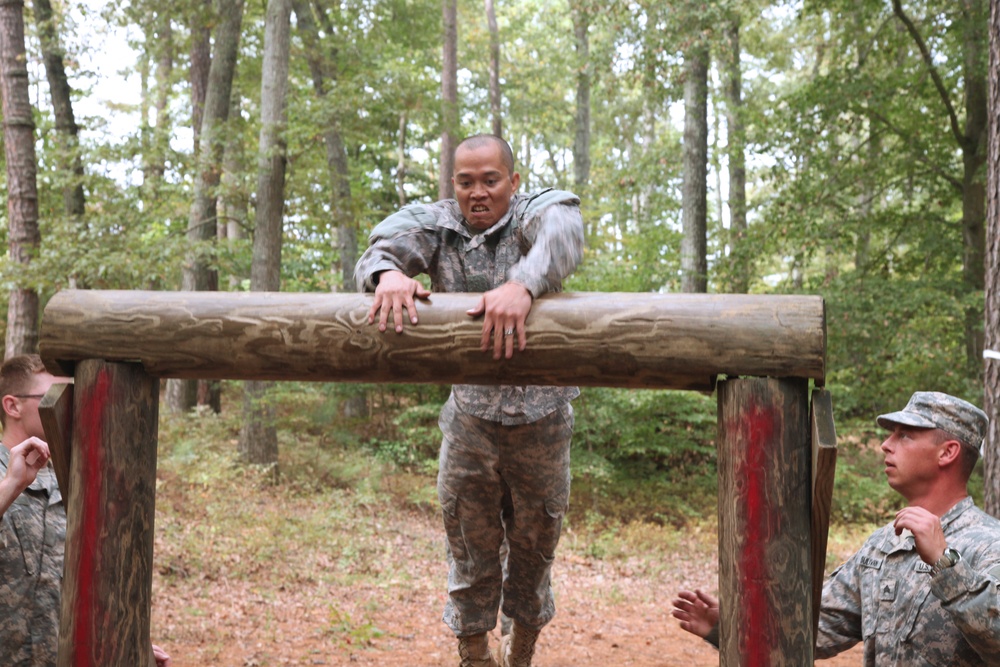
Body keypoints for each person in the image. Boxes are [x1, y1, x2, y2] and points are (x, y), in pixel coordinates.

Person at [355, 134, 585, 667]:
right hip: (470, 423)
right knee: (468, 545)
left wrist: (524, 284)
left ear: (513, 182)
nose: (477, 193)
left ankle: (521, 650)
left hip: (544, 420)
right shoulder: (438, 223)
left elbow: (565, 228)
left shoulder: (534, 212)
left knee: (535, 547)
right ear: (452, 184)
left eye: (490, 180)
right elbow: (379, 246)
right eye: (465, 182)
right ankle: (474, 656)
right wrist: (388, 275)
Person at [672, 391, 1000, 665]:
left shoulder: (989, 544)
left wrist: (946, 564)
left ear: (948, 452)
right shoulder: (885, 545)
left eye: (904, 435)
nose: (886, 445)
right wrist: (726, 626)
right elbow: (812, 632)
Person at [0, 354, 172, 667]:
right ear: (12, 406)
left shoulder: (73, 477)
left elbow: (94, 578)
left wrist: (131, 642)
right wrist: (11, 484)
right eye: (49, 397)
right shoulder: (5, 477)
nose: (65, 404)